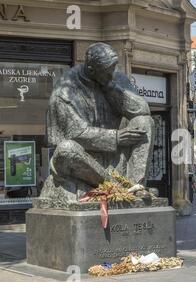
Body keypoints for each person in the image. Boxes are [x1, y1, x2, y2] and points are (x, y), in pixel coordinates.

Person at [40, 42, 155, 204]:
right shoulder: (64, 90)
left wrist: (111, 87)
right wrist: (115, 137)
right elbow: (75, 133)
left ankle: (135, 185)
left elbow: (141, 109)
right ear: (91, 69)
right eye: (107, 73)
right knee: (66, 149)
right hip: (83, 159)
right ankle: (116, 187)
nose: (112, 75)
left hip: (114, 158)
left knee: (144, 122)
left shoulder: (113, 78)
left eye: (113, 70)